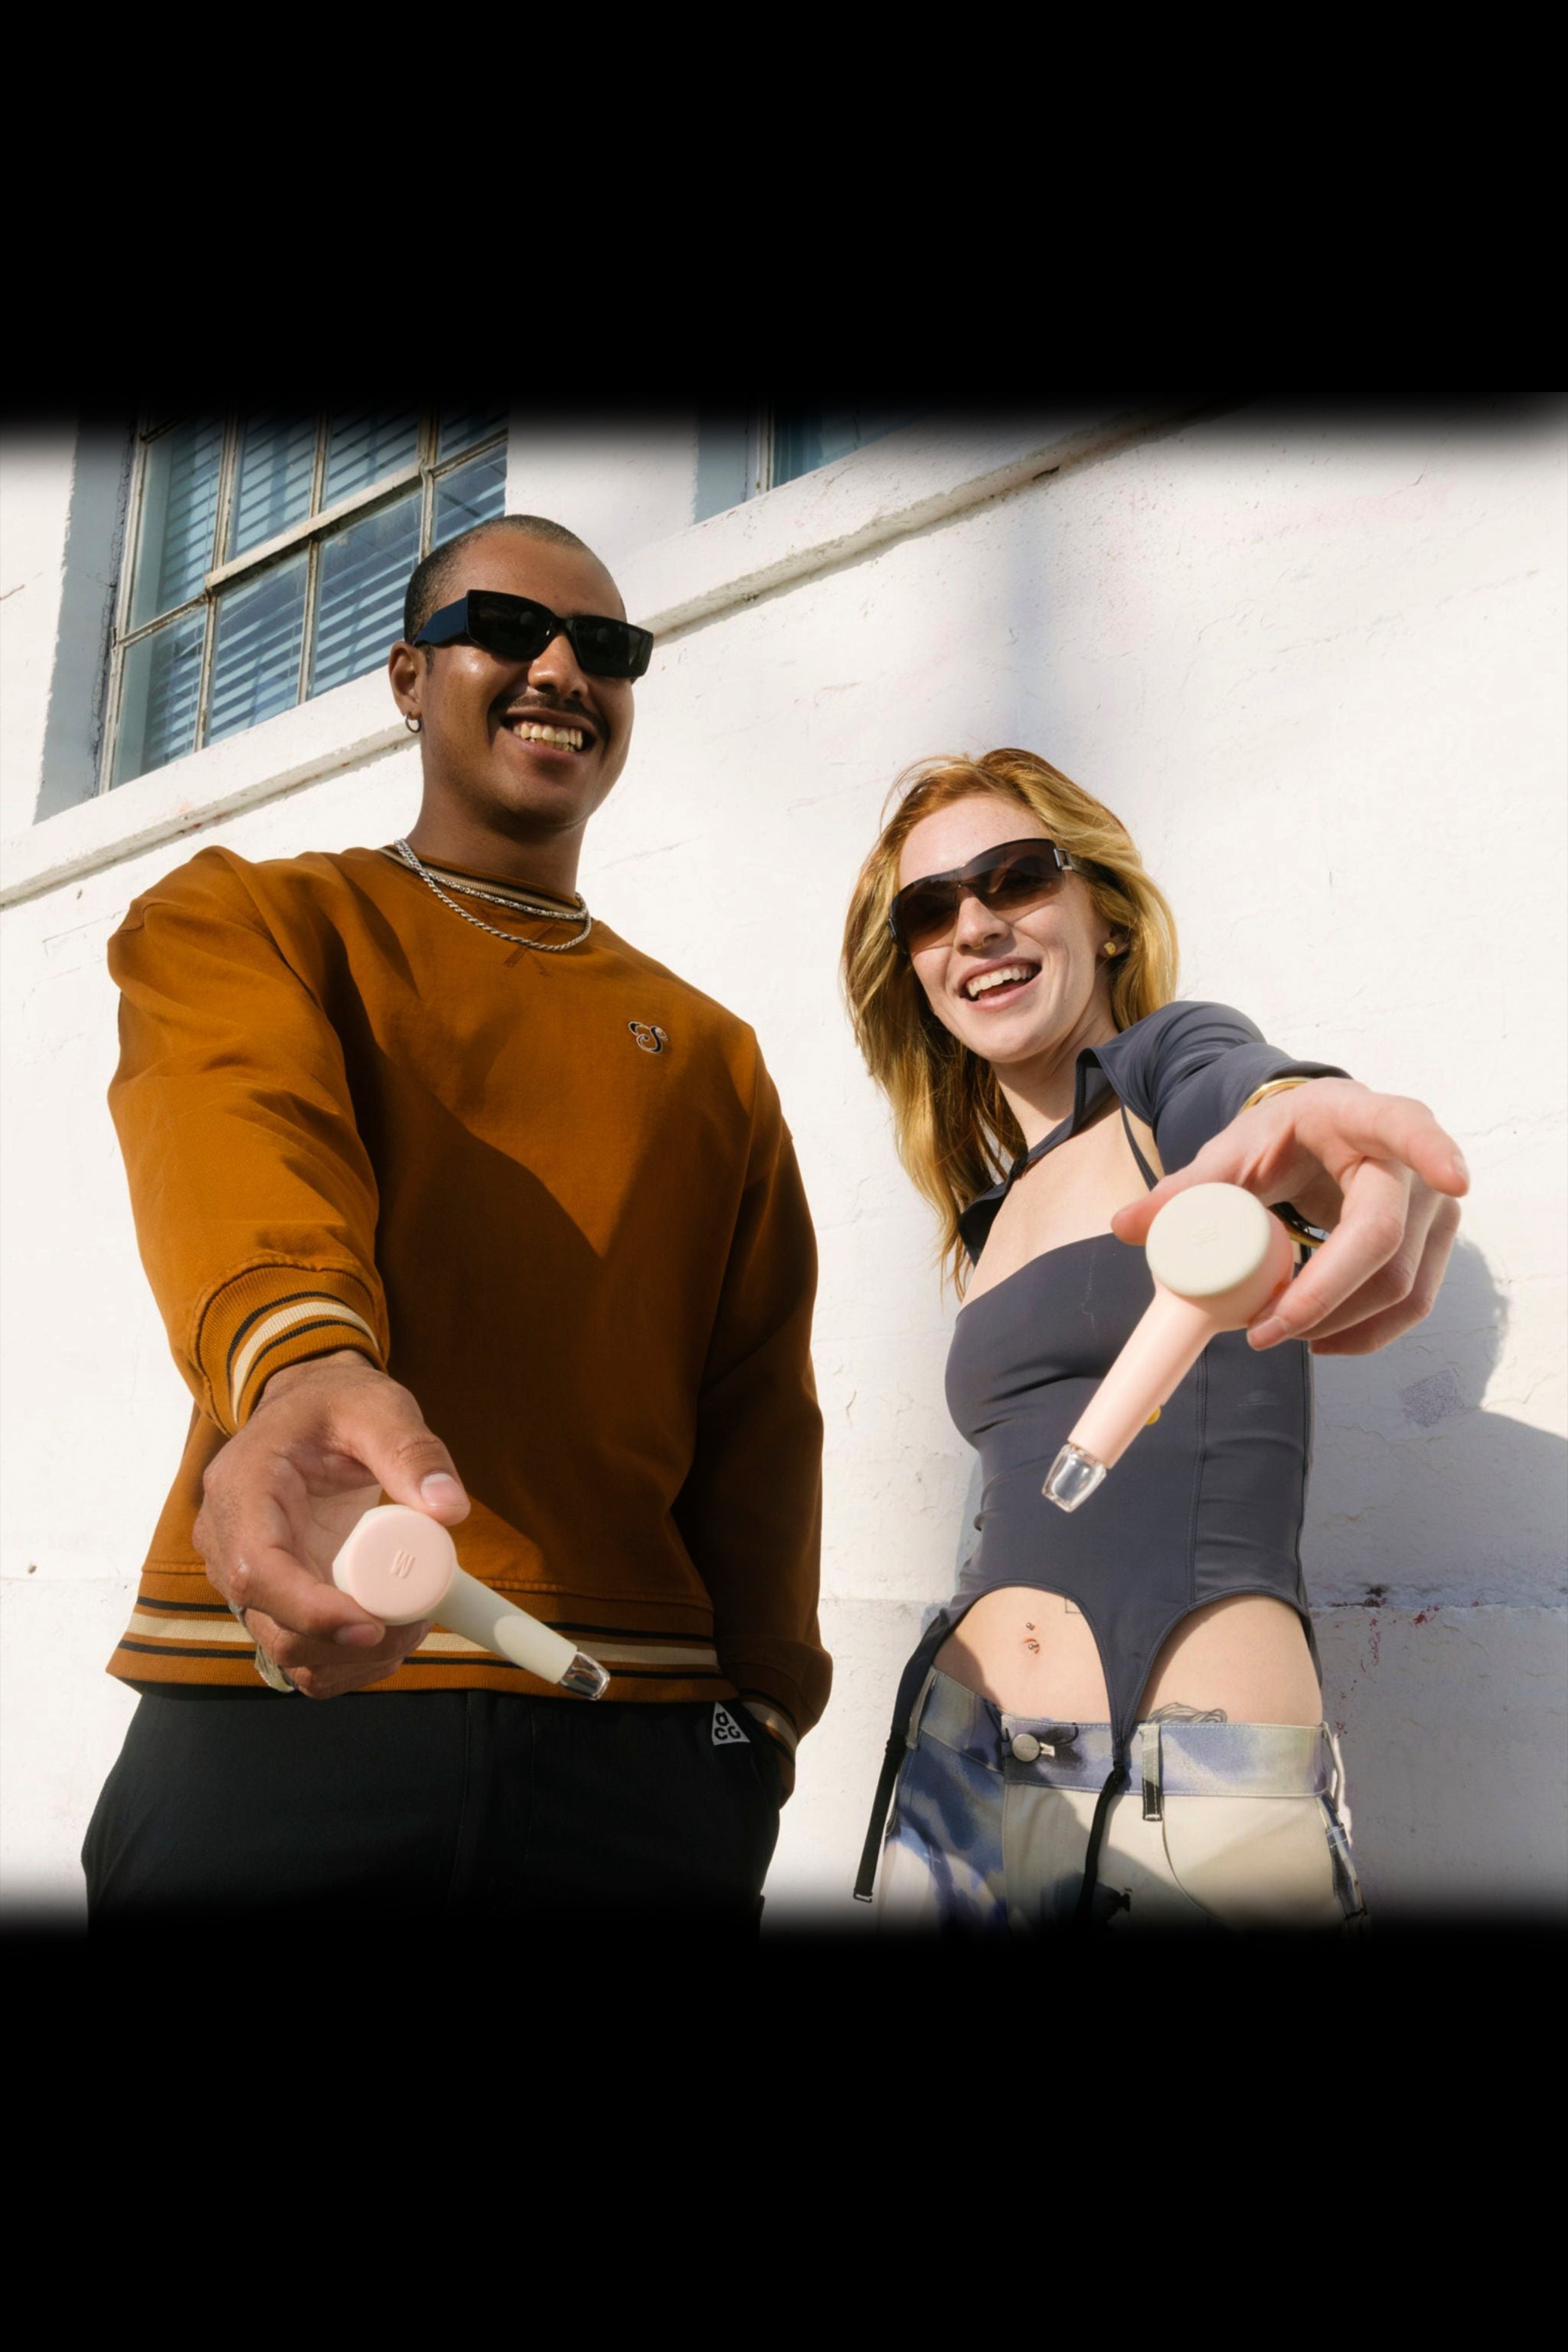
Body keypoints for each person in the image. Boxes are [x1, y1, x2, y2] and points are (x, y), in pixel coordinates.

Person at [83, 515, 827, 1929]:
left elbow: (760, 1418)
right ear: (408, 674)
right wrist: (301, 1362)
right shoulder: (253, 917)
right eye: (505, 628)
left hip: (642, 1745)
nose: (560, 666)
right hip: (289, 1689)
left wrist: (759, 1734)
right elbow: (240, 1127)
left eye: (605, 649)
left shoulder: (716, 1052)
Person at [841, 750, 1466, 1930]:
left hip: (1187, 1810)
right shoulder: (984, 1217)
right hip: (960, 1784)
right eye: (929, 910)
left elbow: (1247, 1092)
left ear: (1107, 918)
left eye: (1015, 878)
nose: (973, 925)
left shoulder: (1170, 1101)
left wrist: (1313, 1118)